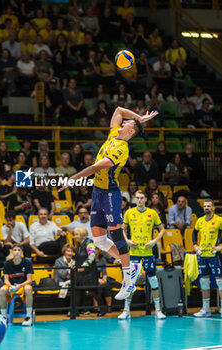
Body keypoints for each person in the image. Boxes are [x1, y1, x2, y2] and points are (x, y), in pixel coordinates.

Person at [59, 106, 158, 300]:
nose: (123, 121)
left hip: (111, 194)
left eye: (128, 123)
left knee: (117, 235)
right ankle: (133, 266)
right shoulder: (114, 133)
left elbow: (96, 166)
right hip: (97, 192)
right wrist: (139, 118)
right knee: (99, 240)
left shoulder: (122, 149)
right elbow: (119, 110)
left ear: (130, 132)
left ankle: (128, 280)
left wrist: (73, 179)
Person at [119, 190, 165, 319]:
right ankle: (126, 310)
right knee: (130, 282)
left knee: (153, 280)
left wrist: (154, 241)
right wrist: (127, 241)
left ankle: (158, 310)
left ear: (146, 199)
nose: (139, 200)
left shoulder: (152, 213)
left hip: (147, 252)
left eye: (141, 198)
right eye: (137, 198)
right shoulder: (129, 212)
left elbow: (162, 230)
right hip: (133, 252)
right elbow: (122, 229)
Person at [193, 199, 222, 318]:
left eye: (209, 206)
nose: (206, 208)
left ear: (213, 208)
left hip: (215, 256)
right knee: (203, 281)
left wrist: (220, 247)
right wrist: (195, 245)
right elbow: (194, 233)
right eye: (205, 206)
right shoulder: (199, 221)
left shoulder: (219, 220)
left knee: (220, 282)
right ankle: (206, 309)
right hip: (203, 255)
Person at [0, 244, 34, 326]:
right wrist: (11, 286)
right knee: (2, 290)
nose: (17, 252)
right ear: (12, 252)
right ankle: (4, 317)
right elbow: (6, 280)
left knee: (28, 288)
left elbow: (29, 280)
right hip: (11, 287)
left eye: (19, 250)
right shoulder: (7, 263)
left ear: (22, 252)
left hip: (23, 286)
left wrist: (20, 285)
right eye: (15, 250)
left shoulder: (27, 262)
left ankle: (28, 317)